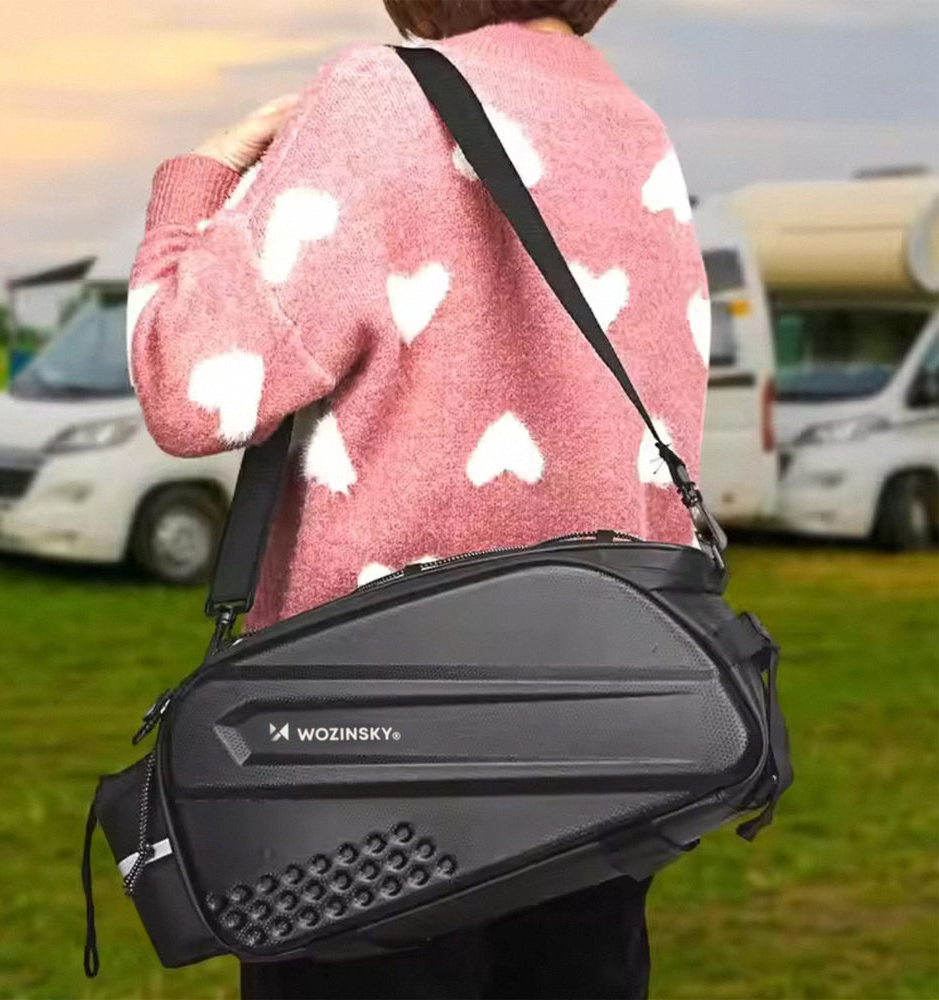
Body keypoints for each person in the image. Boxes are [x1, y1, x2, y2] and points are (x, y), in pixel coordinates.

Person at [127, 2, 710, 996]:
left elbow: (187, 385)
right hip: (599, 744)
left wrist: (200, 180)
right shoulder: (634, 125)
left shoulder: (384, 99)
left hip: (373, 759)